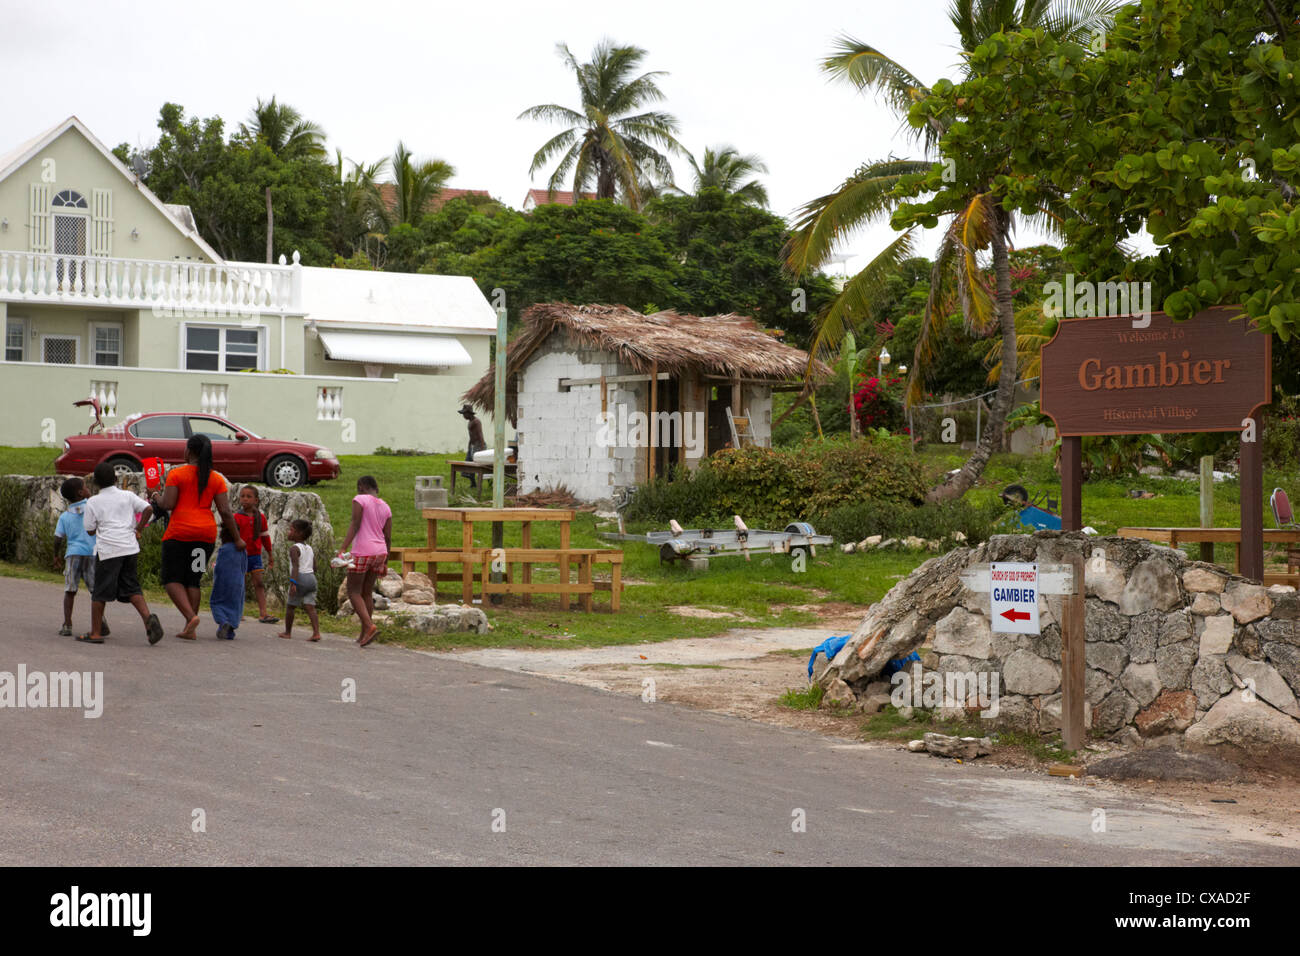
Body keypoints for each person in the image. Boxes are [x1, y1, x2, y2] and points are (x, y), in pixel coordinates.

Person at [154, 434, 243, 640]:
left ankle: (190, 617)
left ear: (189, 451)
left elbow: (168, 504)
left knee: (171, 579)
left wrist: (155, 496)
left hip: (178, 535)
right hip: (205, 537)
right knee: (193, 579)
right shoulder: (216, 479)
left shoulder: (177, 474)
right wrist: (237, 538)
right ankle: (189, 628)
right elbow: (225, 511)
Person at [80, 463, 164, 645]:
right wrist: (138, 529)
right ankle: (148, 619)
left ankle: (95, 633)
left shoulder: (93, 502)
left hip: (109, 550)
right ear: (116, 479)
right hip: (130, 548)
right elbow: (149, 509)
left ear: (95, 483)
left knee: (100, 592)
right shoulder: (127, 495)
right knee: (132, 587)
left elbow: (89, 530)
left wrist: (100, 527)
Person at [338, 475, 392, 647]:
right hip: (380, 552)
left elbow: (355, 523)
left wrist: (343, 548)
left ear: (361, 486)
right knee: (367, 592)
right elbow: (388, 537)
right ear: (376, 489)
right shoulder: (386, 506)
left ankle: (369, 626)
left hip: (362, 551)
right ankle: (364, 634)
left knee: (353, 591)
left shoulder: (360, 499)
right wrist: (385, 562)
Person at [53, 476, 108, 638]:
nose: (88, 488)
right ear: (80, 493)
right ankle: (101, 622)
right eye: (85, 487)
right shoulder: (92, 507)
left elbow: (58, 538)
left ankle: (67, 624)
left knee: (70, 590)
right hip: (92, 554)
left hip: (73, 555)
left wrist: (56, 555)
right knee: (96, 592)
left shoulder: (64, 516)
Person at [234, 485, 276, 623]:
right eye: (242, 496)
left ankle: (263, 613)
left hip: (255, 556)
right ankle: (238, 612)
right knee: (240, 584)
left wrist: (270, 554)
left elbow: (265, 537)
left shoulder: (261, 517)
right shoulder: (236, 517)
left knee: (259, 583)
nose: (245, 499)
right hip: (240, 555)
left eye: (248, 496)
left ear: (256, 500)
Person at [278, 519, 320, 642]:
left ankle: (287, 632)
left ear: (299, 534)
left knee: (291, 606)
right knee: (311, 607)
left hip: (299, 578)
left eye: (291, 530)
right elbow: (315, 567)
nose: (288, 532)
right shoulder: (309, 548)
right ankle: (316, 633)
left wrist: (293, 583)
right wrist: (310, 577)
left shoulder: (294, 548)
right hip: (311, 578)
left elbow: (295, 567)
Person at [209, 523, 247, 640]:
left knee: (216, 602)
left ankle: (223, 621)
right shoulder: (242, 550)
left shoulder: (224, 549)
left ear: (223, 535)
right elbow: (244, 567)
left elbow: (219, 568)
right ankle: (230, 631)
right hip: (238, 583)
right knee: (235, 606)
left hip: (223, 582)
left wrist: (215, 576)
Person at [459, 403, 486, 490]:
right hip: (472, 445)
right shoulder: (470, 422)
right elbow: (471, 435)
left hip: (478, 445)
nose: (463, 416)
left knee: (478, 465)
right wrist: (469, 446)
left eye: (464, 414)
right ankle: (473, 483)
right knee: (468, 464)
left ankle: (483, 482)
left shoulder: (476, 422)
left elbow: (480, 434)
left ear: (469, 413)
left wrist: (482, 449)